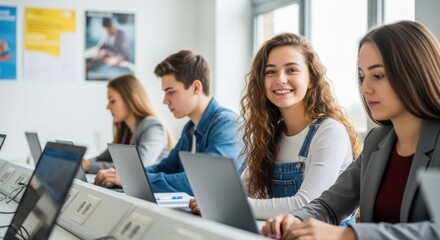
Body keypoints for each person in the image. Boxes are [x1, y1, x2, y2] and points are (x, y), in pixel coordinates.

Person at [262, 21, 440, 240]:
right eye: (361, 76)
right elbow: (329, 204)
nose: (365, 88)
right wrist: (296, 219)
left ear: (415, 73)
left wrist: (349, 235)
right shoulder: (377, 140)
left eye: (378, 75)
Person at [189, 33, 362, 222]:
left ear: (311, 79)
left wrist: (226, 204)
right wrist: (212, 198)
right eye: (270, 72)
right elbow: (244, 190)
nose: (280, 79)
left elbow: (307, 205)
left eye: (292, 70)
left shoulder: (329, 131)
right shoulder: (271, 134)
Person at [96, 50, 244, 194]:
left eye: (171, 91)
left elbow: (203, 181)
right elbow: (166, 167)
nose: (165, 100)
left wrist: (133, 179)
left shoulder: (228, 125)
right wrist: (123, 174)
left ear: (196, 88)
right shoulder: (190, 128)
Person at [84, 74, 174, 183]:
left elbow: (138, 166)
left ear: (129, 99)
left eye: (112, 101)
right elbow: (101, 158)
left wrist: (89, 166)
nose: (107, 107)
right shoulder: (125, 130)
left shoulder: (153, 126)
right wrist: (82, 162)